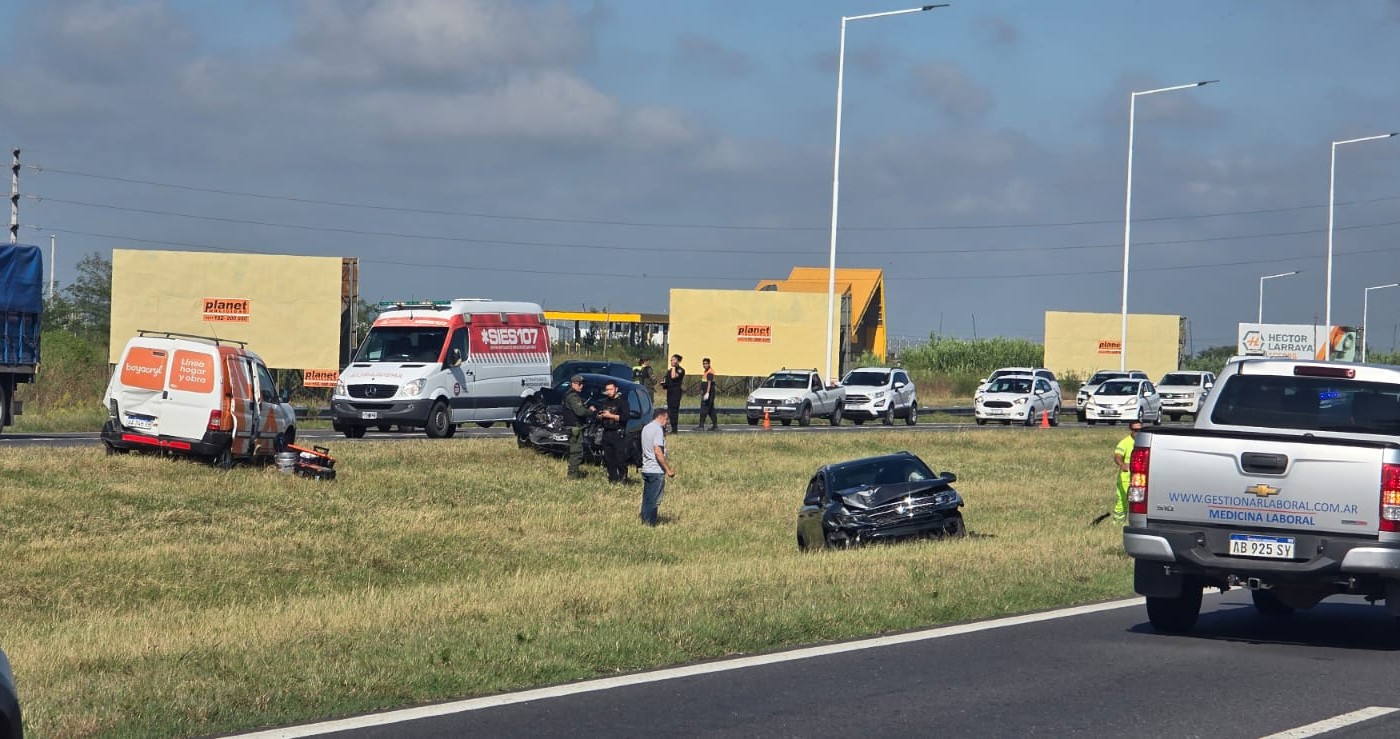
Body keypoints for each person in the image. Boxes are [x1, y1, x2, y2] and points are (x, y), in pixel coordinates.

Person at [640, 408, 675, 526]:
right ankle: (651, 523)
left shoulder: (646, 428)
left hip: (646, 468)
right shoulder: (657, 430)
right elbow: (658, 452)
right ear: (660, 417)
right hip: (656, 470)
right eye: (666, 419)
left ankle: (644, 521)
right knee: (654, 500)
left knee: (647, 498)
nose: (666, 422)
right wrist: (668, 469)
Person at [596, 380, 632, 484]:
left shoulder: (622, 402)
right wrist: (599, 415)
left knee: (621, 458)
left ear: (616, 389)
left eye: (611, 389)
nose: (609, 391)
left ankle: (623, 479)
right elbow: (598, 415)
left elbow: (625, 417)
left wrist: (610, 415)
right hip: (606, 432)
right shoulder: (604, 402)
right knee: (609, 459)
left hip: (618, 432)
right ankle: (613, 479)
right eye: (607, 390)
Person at [562, 375, 593, 479]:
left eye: (582, 384)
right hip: (574, 427)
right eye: (579, 384)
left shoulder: (570, 394)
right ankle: (573, 475)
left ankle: (573, 472)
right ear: (573, 384)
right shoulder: (573, 396)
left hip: (572, 427)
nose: (582, 386)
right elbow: (580, 412)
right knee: (576, 451)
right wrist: (590, 411)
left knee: (575, 450)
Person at [1113, 420, 1144, 524]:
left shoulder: (1145, 441)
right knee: (1124, 502)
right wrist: (1122, 464)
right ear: (1131, 430)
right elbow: (1117, 456)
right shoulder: (1125, 442)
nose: (1138, 432)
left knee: (1138, 503)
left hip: (1140, 479)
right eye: (1135, 430)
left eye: (1140, 430)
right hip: (1126, 479)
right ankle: (1117, 524)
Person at [659, 354, 685, 433]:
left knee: (674, 411)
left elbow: (673, 377)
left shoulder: (680, 370)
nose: (671, 361)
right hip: (670, 392)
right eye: (671, 360)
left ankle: (674, 429)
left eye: (673, 360)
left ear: (677, 360)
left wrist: (674, 367)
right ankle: (670, 427)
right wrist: (663, 383)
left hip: (676, 392)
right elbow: (668, 380)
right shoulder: (669, 371)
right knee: (669, 411)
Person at [695, 357, 718, 431]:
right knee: (711, 410)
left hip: (709, 393)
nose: (704, 365)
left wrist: (707, 393)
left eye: (706, 363)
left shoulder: (710, 372)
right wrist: (702, 391)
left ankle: (701, 426)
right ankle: (715, 426)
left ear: (709, 364)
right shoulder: (706, 371)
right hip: (706, 392)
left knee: (704, 409)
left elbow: (709, 383)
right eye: (703, 364)